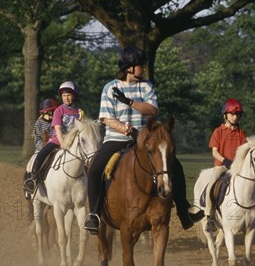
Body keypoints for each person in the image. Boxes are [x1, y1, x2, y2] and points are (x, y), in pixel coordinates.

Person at [83, 45, 204, 235]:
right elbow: (106, 118)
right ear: (129, 67)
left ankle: (183, 212)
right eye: (141, 65)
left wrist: (129, 102)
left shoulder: (146, 86)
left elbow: (153, 110)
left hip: (144, 139)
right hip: (116, 139)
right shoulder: (109, 88)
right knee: (95, 169)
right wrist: (124, 128)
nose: (144, 68)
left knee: (176, 166)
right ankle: (94, 214)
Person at [204, 99, 255, 233]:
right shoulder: (218, 132)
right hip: (222, 167)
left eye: (237, 115)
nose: (235, 117)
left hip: (239, 168)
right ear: (225, 115)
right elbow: (214, 152)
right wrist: (226, 161)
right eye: (232, 114)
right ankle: (209, 217)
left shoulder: (242, 133)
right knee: (210, 187)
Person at [23, 81, 82, 194]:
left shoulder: (79, 111)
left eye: (68, 95)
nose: (66, 98)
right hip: (57, 141)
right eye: (64, 96)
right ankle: (32, 180)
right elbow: (58, 129)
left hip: (74, 143)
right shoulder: (59, 110)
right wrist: (63, 143)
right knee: (41, 155)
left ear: (74, 96)